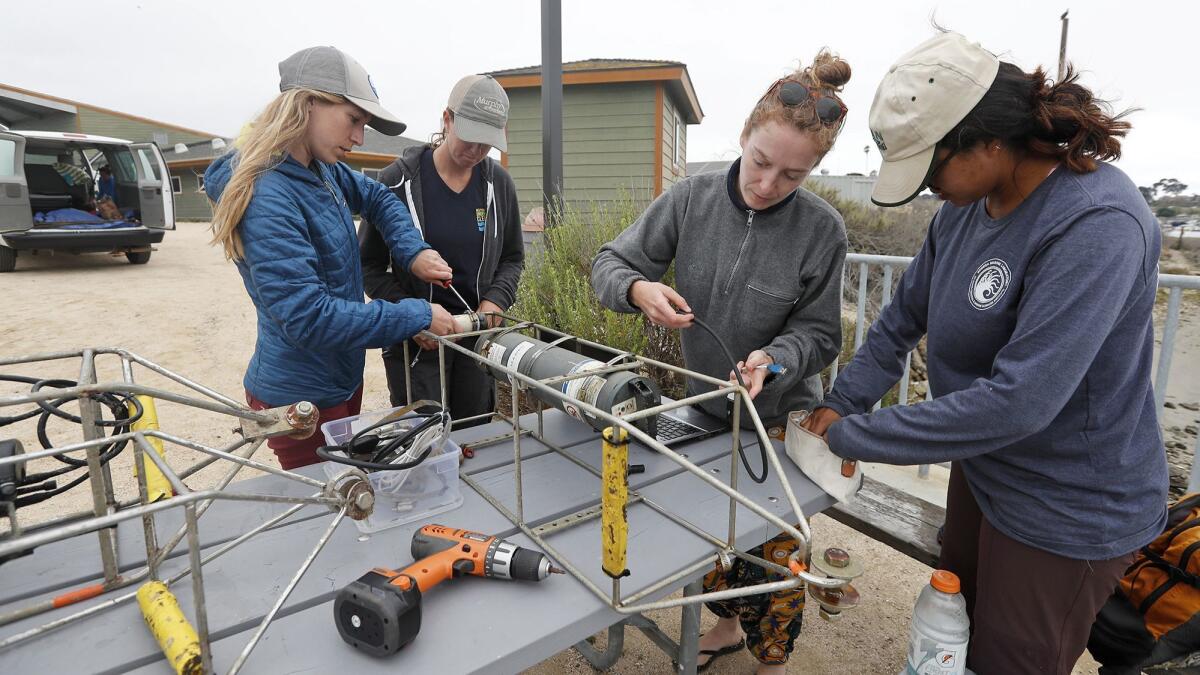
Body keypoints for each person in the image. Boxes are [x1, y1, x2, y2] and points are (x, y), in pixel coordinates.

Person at [801, 32, 1168, 674]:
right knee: (952, 627)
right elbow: (898, 324)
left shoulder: (1097, 221)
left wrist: (857, 435)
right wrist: (841, 404)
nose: (928, 191)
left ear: (987, 139)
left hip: (1068, 500)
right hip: (985, 467)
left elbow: (1018, 402)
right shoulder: (963, 210)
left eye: (932, 169)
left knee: (1011, 660)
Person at [591, 51, 851, 673]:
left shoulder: (824, 231)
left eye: (792, 176)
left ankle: (770, 657)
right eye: (761, 162)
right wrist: (638, 290)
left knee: (778, 553)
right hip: (705, 407)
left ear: (812, 170)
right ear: (743, 137)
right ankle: (726, 626)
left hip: (781, 422)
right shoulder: (690, 200)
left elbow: (821, 333)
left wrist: (775, 357)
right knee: (710, 537)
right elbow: (609, 265)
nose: (767, 185)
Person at [205, 45, 456, 470]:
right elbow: (309, 317)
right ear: (306, 104)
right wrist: (415, 315)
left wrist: (412, 250)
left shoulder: (319, 166)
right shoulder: (268, 195)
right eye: (354, 119)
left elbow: (378, 195)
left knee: (347, 489)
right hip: (298, 400)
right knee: (324, 508)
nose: (359, 137)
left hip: (338, 377)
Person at [360, 74, 523, 426]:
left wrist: (496, 301)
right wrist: (413, 315)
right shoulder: (396, 183)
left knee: (474, 438)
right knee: (422, 445)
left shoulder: (499, 185)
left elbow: (512, 259)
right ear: (447, 119)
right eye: (471, 138)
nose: (478, 152)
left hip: (475, 340)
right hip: (416, 347)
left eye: (488, 144)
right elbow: (368, 267)